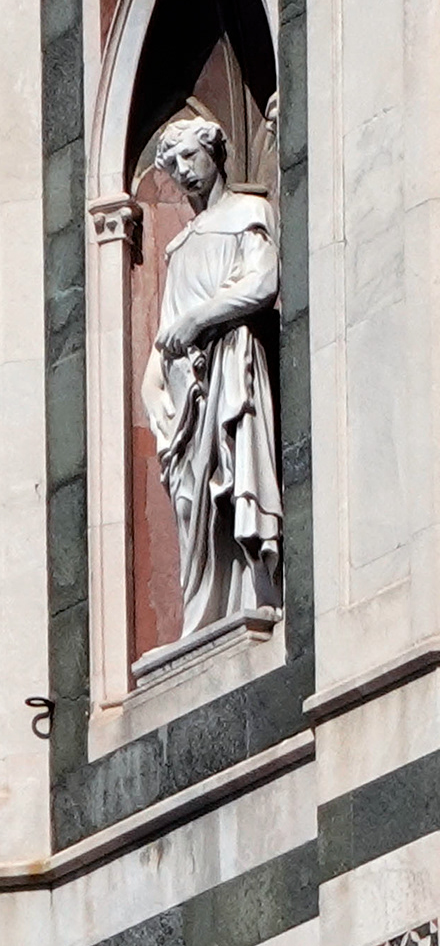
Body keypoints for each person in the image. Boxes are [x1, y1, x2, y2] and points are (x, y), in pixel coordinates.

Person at [142, 107, 283, 642]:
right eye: (172, 163)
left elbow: (262, 284)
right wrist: (151, 383)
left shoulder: (250, 213)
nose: (182, 170)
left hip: (230, 366)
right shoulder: (178, 247)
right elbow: (163, 333)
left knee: (235, 474)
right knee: (189, 502)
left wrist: (200, 319)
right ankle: (205, 613)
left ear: (214, 150)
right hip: (187, 391)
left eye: (189, 156)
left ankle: (255, 592)